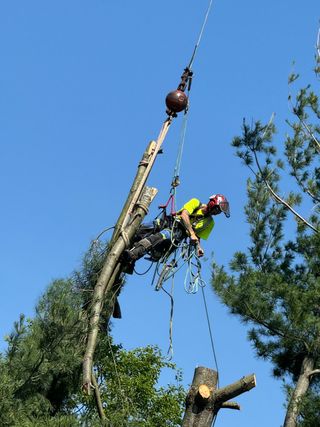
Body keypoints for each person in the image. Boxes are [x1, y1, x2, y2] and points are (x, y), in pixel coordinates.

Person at [122, 194, 230, 270]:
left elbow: (198, 236)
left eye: (219, 212)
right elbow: (184, 215)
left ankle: (132, 255)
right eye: (217, 209)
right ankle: (127, 257)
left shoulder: (210, 223)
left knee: (159, 237)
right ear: (212, 203)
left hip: (177, 234)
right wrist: (192, 233)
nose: (217, 213)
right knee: (142, 230)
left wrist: (199, 247)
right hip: (170, 221)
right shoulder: (195, 202)